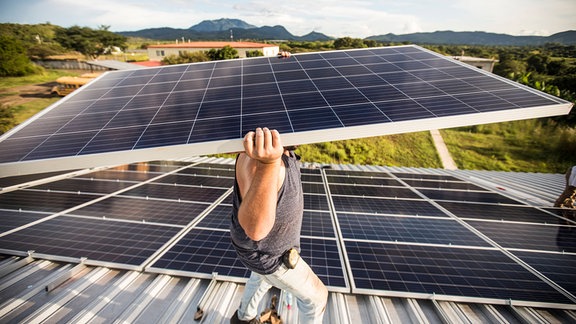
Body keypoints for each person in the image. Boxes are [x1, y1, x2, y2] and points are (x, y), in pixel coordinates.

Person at [230, 127, 328, 324]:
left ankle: (243, 318)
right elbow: (255, 228)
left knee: (261, 278)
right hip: (271, 256)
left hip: (261, 252)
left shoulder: (278, 152)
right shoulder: (259, 162)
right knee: (317, 299)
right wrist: (269, 163)